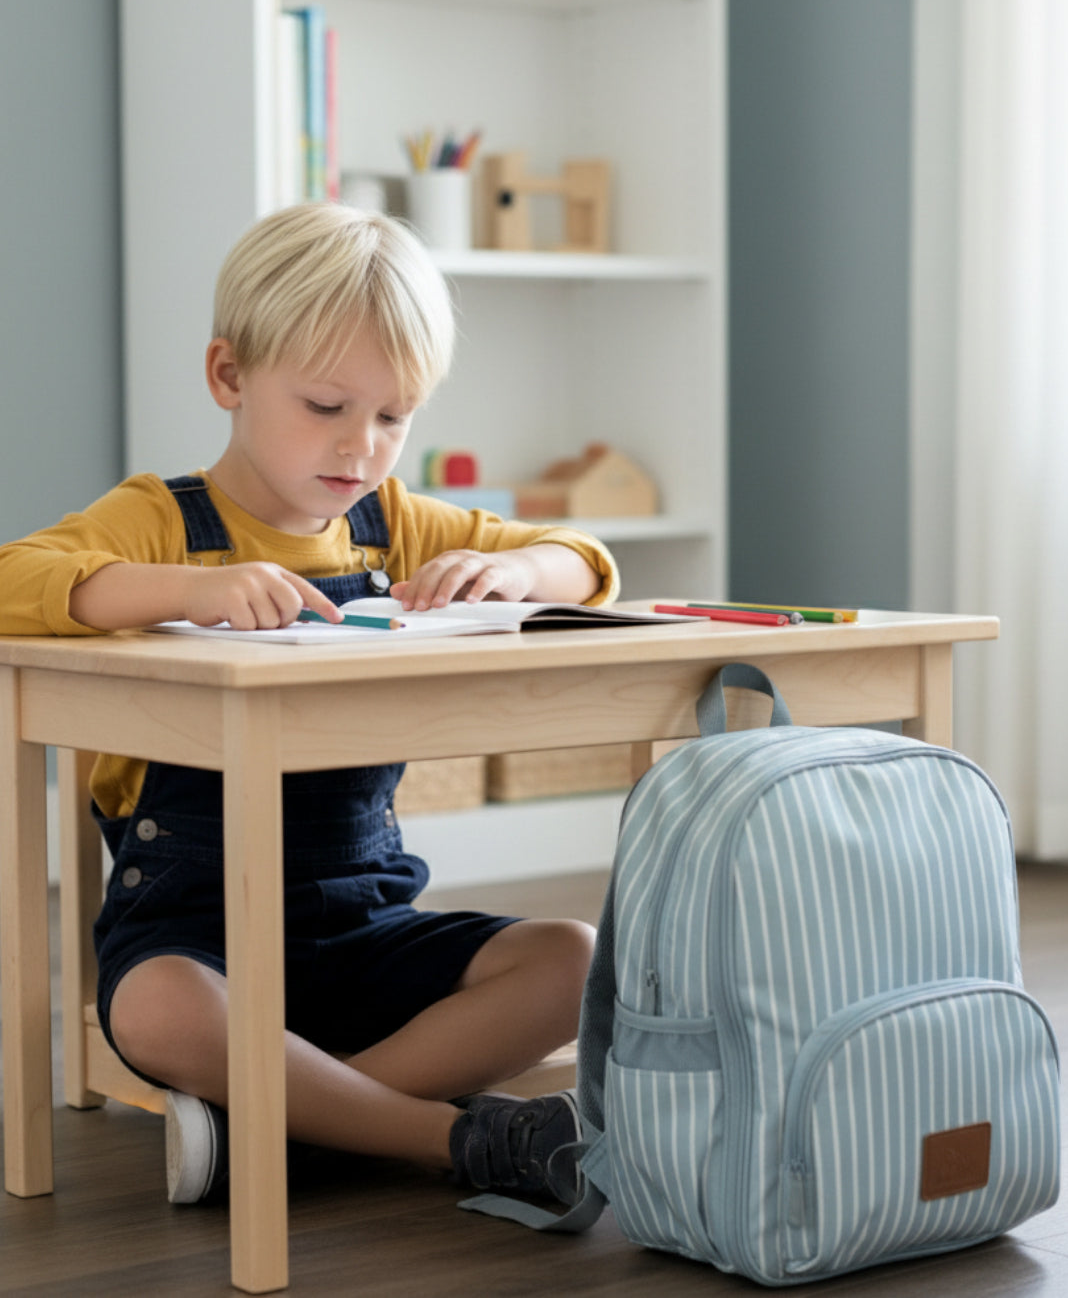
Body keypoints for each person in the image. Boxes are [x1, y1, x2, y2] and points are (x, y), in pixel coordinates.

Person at [0, 203, 619, 1208]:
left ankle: (280, 1129)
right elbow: (14, 577)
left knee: (573, 959)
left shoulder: (395, 525)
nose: (362, 446)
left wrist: (518, 571)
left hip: (364, 930)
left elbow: (590, 565)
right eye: (326, 405)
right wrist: (184, 592)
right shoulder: (164, 522)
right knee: (155, 1010)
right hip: (197, 943)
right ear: (229, 377)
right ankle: (439, 1137)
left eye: (393, 416)